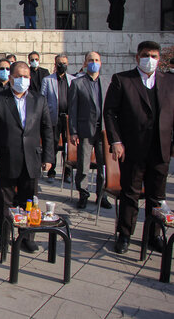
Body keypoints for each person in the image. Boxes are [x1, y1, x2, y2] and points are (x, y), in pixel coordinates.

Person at [104, 41, 174, 254]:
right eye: (145, 55)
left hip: (160, 149)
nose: (149, 60)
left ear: (159, 59)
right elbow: (110, 112)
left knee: (157, 197)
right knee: (130, 194)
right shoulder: (123, 80)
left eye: (153, 56)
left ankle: (154, 235)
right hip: (133, 149)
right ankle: (124, 235)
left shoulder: (169, 81)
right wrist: (116, 141)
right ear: (137, 57)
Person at [0, 61, 54, 252]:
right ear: (11, 78)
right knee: (4, 202)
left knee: (29, 201)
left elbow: (47, 129)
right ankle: (3, 236)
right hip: (5, 159)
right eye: (19, 76)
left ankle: (26, 237)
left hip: (31, 159)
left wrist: (48, 157)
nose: (23, 80)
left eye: (26, 77)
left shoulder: (39, 100)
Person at [69, 52, 112, 210]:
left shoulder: (108, 82)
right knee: (83, 166)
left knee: (103, 166)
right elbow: (72, 109)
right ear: (85, 63)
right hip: (84, 131)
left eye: (96, 60)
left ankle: (102, 195)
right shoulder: (77, 83)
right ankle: (83, 194)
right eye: (90, 60)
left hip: (103, 131)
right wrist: (73, 131)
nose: (94, 63)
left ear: (101, 62)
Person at [40, 54, 74, 184]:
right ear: (55, 64)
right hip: (53, 118)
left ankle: (67, 173)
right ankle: (51, 172)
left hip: (68, 119)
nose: (62, 65)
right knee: (52, 145)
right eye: (60, 63)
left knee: (68, 147)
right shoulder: (47, 80)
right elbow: (43, 99)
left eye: (64, 63)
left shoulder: (72, 80)